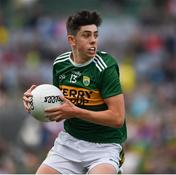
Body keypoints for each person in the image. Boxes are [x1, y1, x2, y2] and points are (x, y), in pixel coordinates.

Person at [23, 10, 127, 174]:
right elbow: (58, 107)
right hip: (70, 142)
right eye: (86, 35)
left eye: (95, 35)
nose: (93, 40)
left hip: (104, 146)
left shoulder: (106, 66)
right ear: (72, 40)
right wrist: (34, 102)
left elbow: (117, 118)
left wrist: (76, 112)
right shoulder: (60, 64)